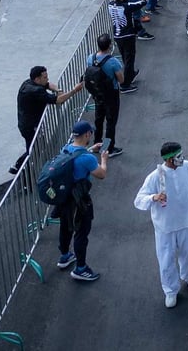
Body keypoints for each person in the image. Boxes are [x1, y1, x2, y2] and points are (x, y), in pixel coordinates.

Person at [133, 141, 188, 308]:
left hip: (187, 221)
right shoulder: (155, 176)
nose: (182, 158)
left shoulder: (187, 167)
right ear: (168, 159)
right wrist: (153, 197)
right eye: (178, 156)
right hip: (165, 227)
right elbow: (139, 200)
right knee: (166, 260)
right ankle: (170, 290)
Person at [56, 120, 108, 282]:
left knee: (65, 227)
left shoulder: (65, 149)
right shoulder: (88, 158)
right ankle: (81, 268)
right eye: (90, 133)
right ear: (87, 134)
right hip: (80, 200)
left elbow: (76, 157)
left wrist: (91, 149)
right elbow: (101, 174)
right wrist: (103, 159)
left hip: (64, 197)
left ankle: (65, 256)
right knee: (81, 232)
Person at [10, 65, 83, 174]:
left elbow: (48, 85)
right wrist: (74, 91)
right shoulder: (36, 91)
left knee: (35, 148)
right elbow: (58, 100)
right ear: (37, 79)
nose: (47, 79)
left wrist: (58, 89)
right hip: (31, 126)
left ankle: (20, 167)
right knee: (35, 150)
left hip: (25, 123)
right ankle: (23, 171)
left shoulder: (28, 83)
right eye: (45, 77)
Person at [86, 33, 127, 158]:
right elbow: (121, 80)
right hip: (111, 95)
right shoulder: (113, 62)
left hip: (97, 93)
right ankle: (108, 148)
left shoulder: (90, 58)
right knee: (111, 122)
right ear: (109, 45)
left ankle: (97, 144)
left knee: (98, 119)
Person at [107, 0, 146, 92]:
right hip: (127, 36)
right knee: (129, 59)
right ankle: (125, 84)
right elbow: (143, 2)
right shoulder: (126, 7)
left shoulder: (111, 4)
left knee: (125, 57)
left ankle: (130, 74)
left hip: (118, 36)